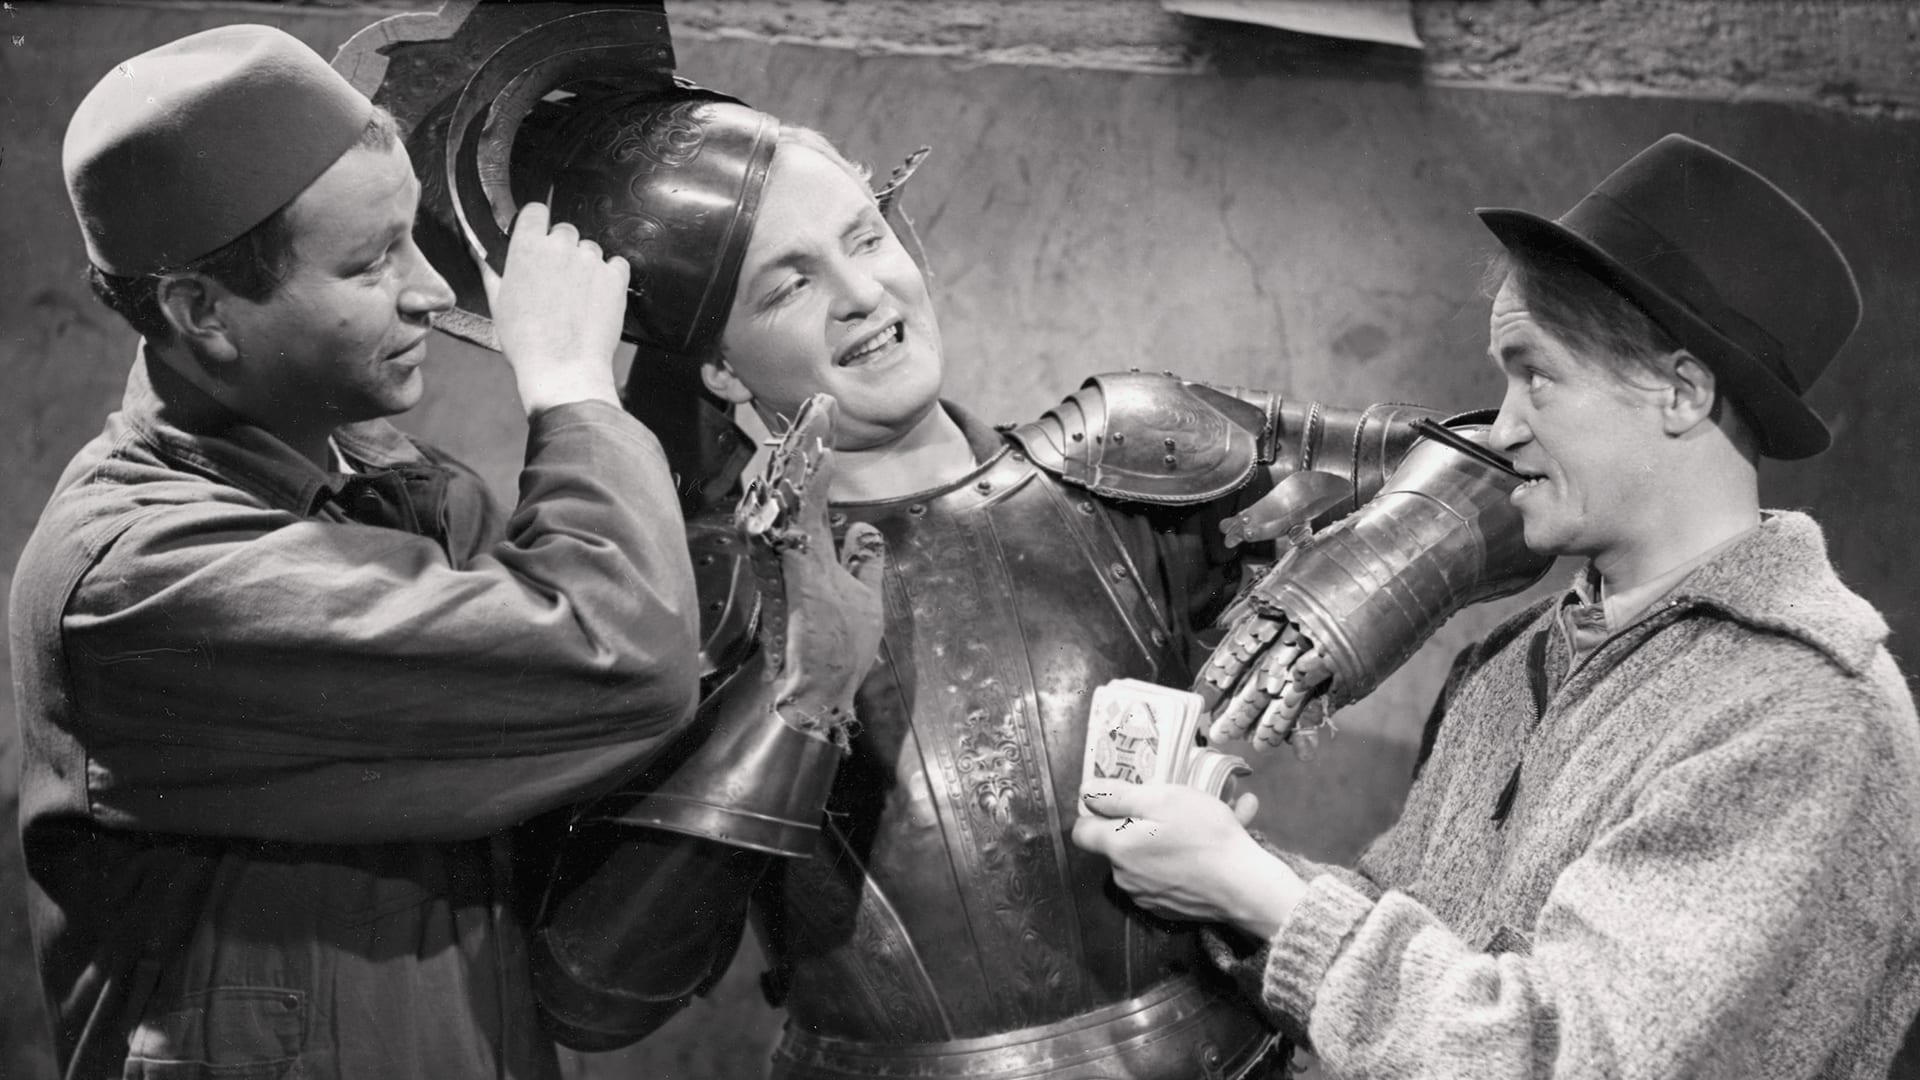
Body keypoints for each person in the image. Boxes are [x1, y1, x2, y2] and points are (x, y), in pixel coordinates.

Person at [411, 21, 1548, 1078]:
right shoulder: (704, 585)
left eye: (864, 236)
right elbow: (593, 990)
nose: (862, 294)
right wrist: (792, 709)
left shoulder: (1125, 452)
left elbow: (1510, 463)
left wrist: (1333, 607)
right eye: (788, 285)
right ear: (718, 366)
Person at [10, 25, 885, 1079]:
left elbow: (594, 823)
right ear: (203, 312)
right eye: (371, 261)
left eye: (411, 237)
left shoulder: (402, 492)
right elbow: (616, 656)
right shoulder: (140, 577)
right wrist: (571, 384)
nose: (430, 287)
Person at [1073, 133, 1920, 1079]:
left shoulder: (1805, 715)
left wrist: (1262, 896)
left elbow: (1579, 1057)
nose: (1503, 427)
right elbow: (1424, 935)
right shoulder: (1516, 661)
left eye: (1536, 376)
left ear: (1682, 393)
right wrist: (1233, 878)